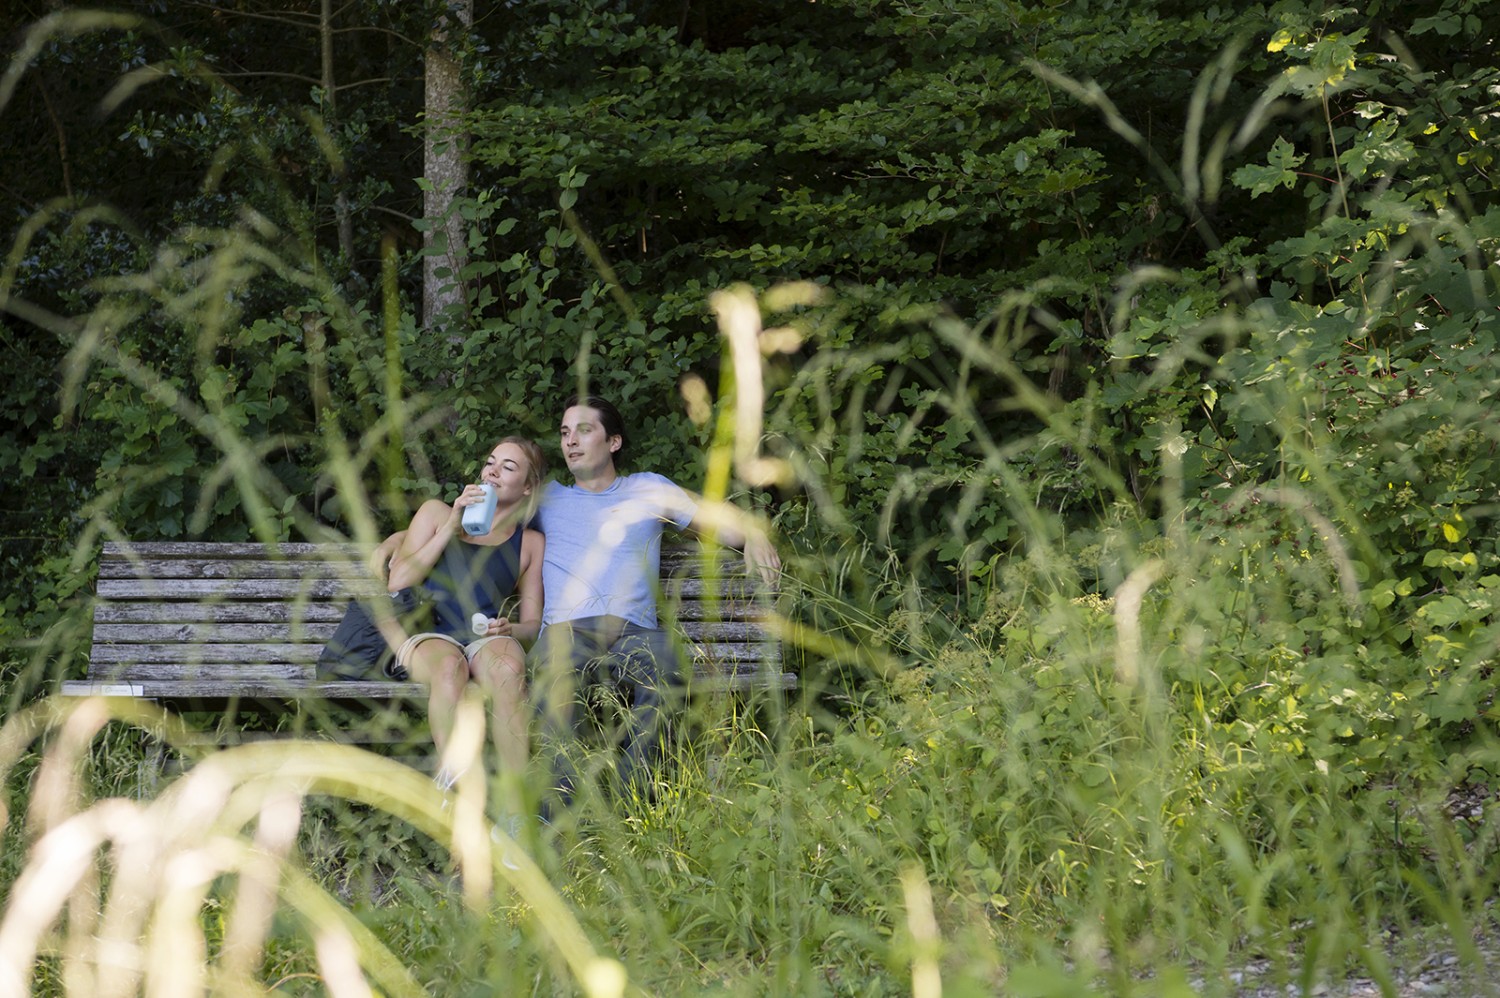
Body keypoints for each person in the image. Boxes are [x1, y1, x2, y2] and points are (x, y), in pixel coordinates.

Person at [528, 393, 780, 811]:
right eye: (565, 432)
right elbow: (481, 529)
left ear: (613, 443)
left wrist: (753, 534)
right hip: (567, 632)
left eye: (584, 430)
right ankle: (559, 818)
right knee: (555, 679)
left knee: (667, 670)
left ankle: (632, 810)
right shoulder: (547, 498)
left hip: (634, 633)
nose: (570, 441)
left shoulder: (649, 488)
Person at [383, 436, 546, 809]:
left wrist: (509, 628)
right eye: (491, 462)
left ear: (526, 488)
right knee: (449, 668)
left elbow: (532, 625)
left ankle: (515, 805)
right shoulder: (437, 513)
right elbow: (399, 580)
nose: (493, 470)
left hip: (485, 637)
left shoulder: (530, 543)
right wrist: (450, 526)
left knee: (509, 668)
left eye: (508, 466)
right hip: (431, 634)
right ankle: (456, 796)